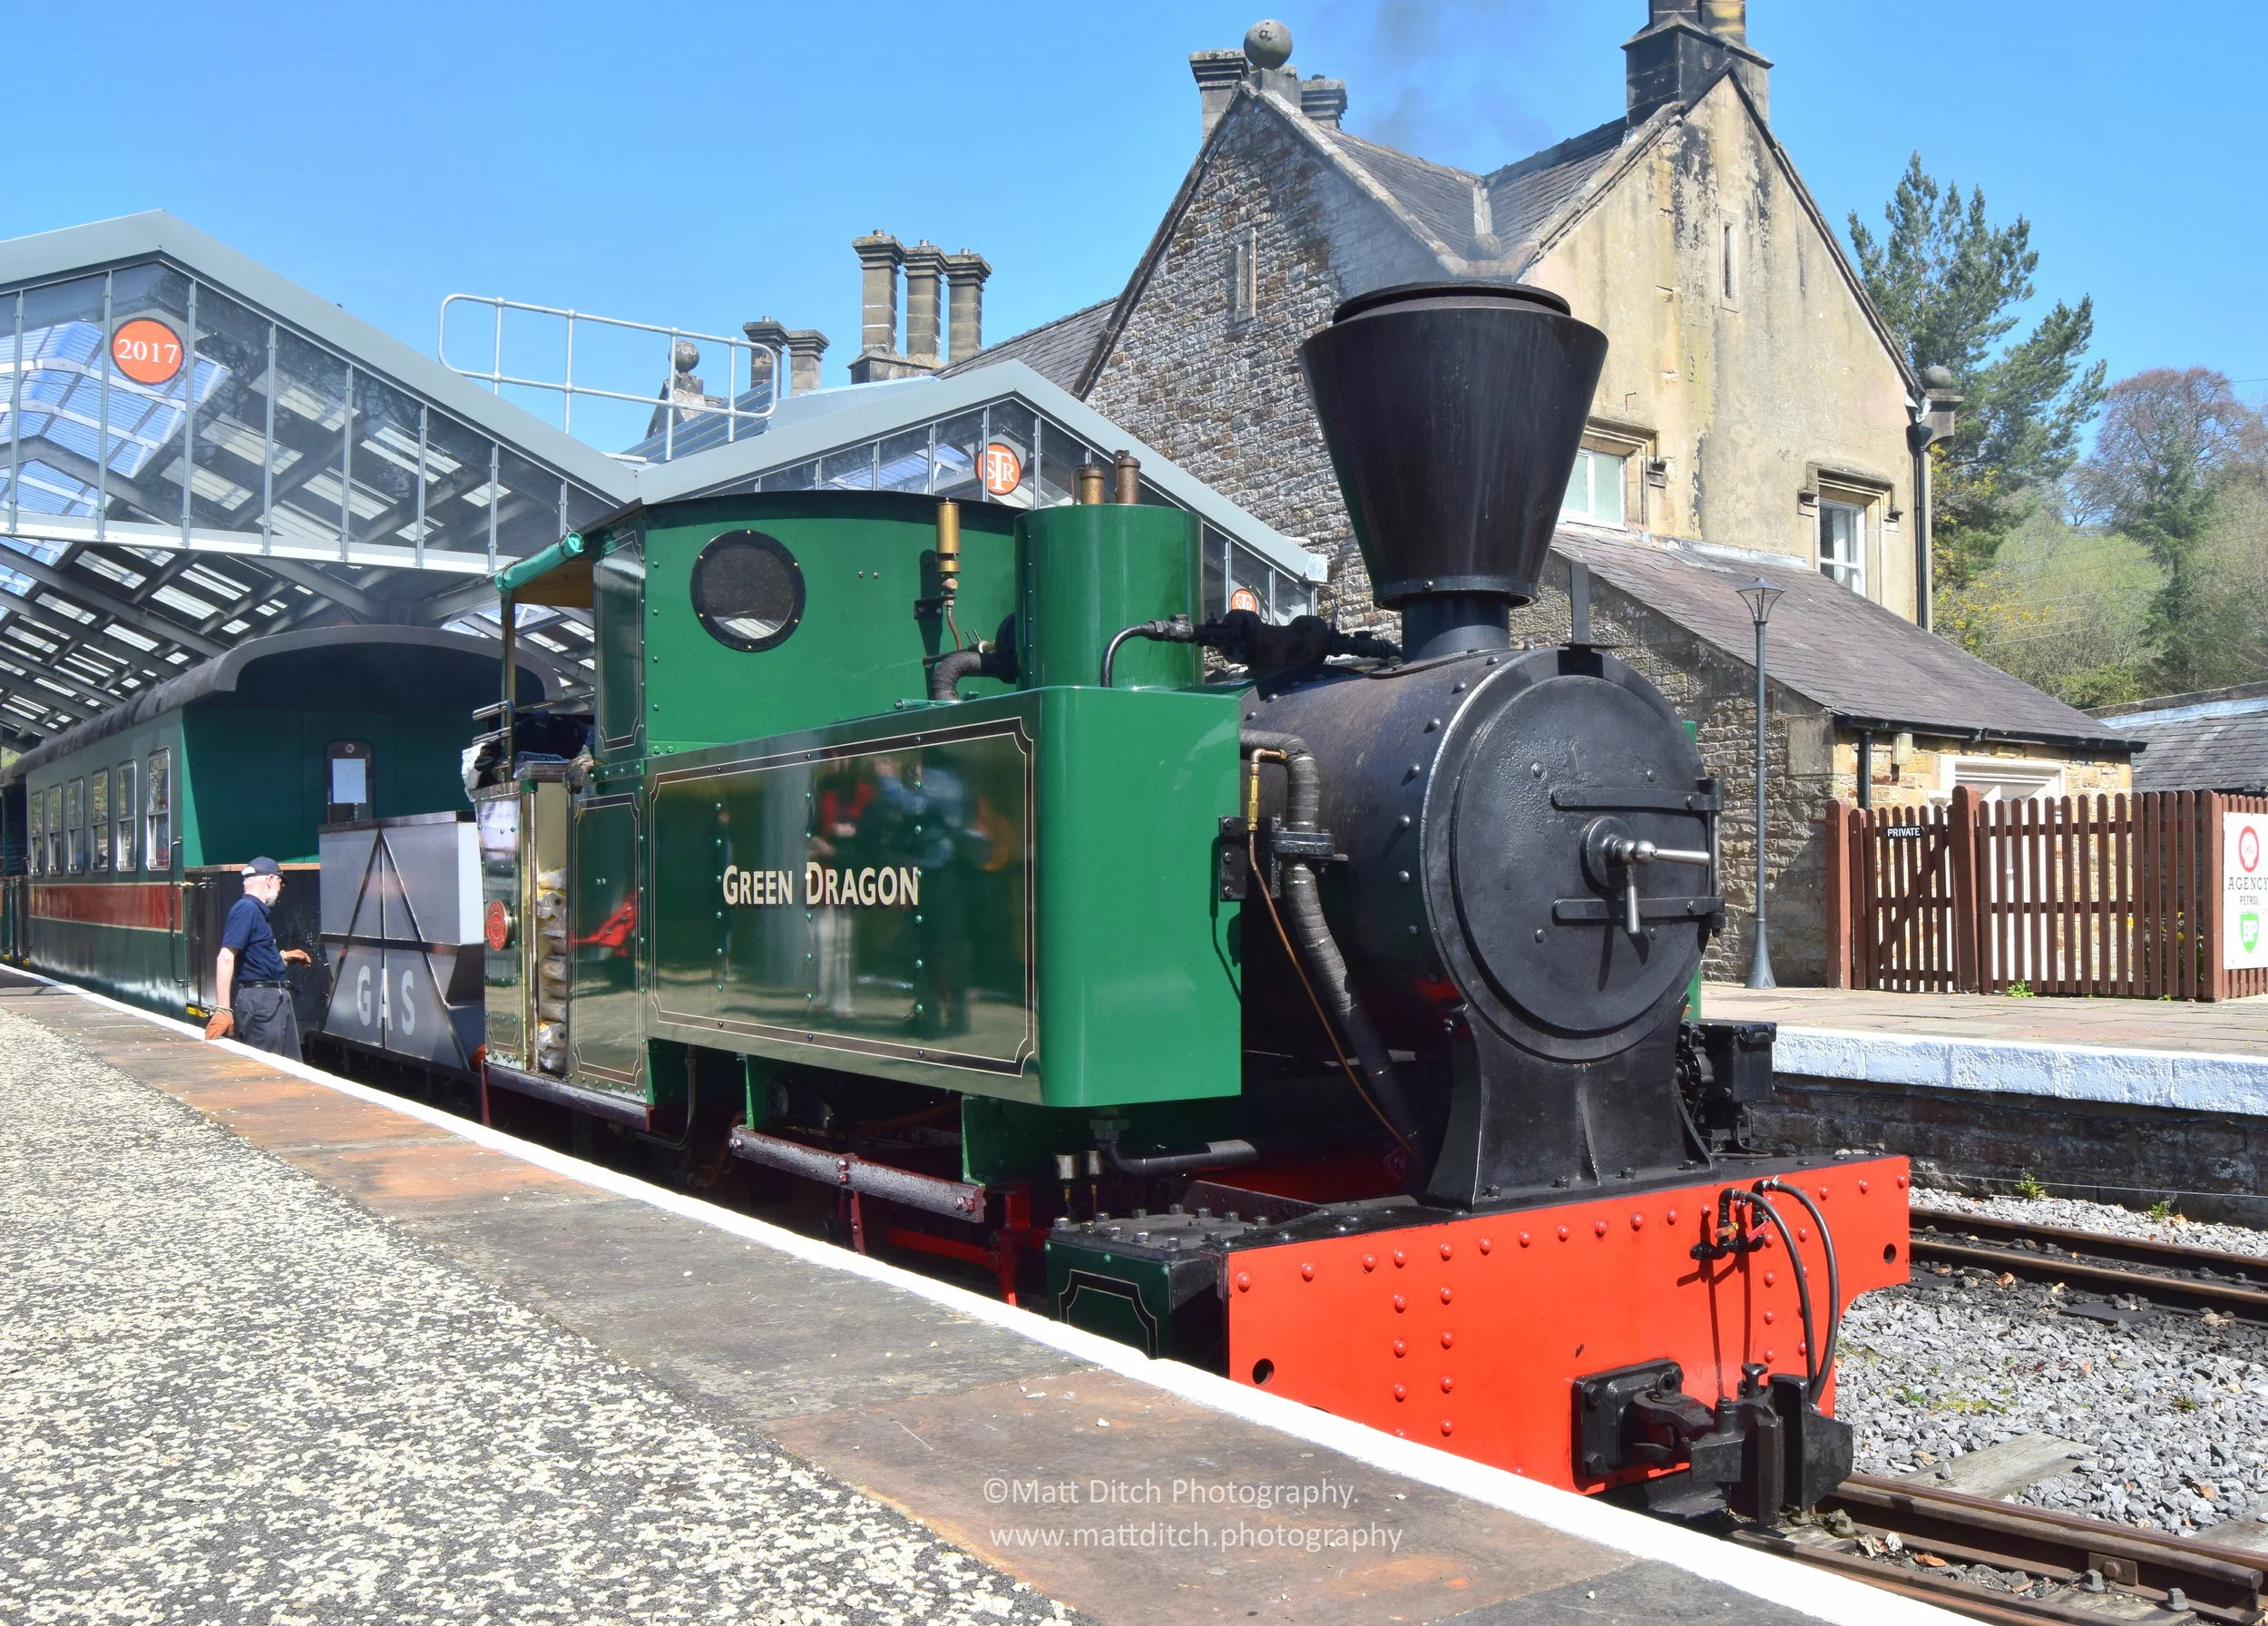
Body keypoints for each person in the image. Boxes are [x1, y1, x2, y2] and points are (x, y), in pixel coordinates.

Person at [203, 857, 312, 1055]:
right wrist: (223, 1009)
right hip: (262, 1002)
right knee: (266, 1069)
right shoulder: (246, 909)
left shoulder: (256, 911)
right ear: (271, 879)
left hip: (273, 999)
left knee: (288, 1069)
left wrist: (284, 957)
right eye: (280, 883)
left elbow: (253, 956)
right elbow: (226, 957)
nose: (280, 890)